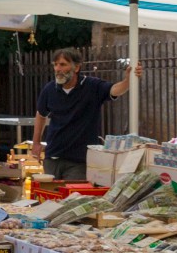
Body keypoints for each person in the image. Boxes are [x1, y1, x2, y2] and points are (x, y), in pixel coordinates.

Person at [29, 48, 140, 181]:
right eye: (55, 64)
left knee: (72, 198)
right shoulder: (49, 89)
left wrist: (128, 80)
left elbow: (115, 90)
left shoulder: (92, 86)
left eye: (63, 64)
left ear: (76, 68)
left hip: (79, 161)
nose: (57, 68)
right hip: (53, 157)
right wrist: (36, 143)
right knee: (51, 196)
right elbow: (41, 115)